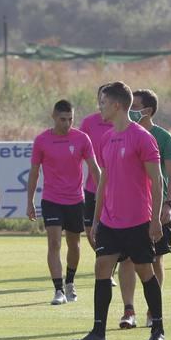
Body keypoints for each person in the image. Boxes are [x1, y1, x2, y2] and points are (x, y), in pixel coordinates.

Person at [69, 81, 166, 340]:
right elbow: (103, 181)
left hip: (137, 220)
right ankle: (98, 333)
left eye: (102, 102)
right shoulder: (106, 138)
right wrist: (96, 218)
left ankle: (157, 328)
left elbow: (156, 182)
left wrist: (156, 219)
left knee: (145, 270)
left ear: (116, 105)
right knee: (101, 268)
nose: (99, 107)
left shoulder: (143, 138)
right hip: (110, 221)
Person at [26, 99, 100, 305]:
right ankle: (58, 289)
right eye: (62, 119)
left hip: (76, 200)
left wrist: (105, 192)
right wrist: (30, 201)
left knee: (74, 244)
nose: (67, 123)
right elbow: (33, 172)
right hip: (51, 200)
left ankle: (69, 282)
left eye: (70, 119)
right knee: (54, 242)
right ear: (53, 117)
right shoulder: (42, 140)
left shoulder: (82, 138)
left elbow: (94, 168)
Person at [119, 89, 171, 329]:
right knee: (126, 261)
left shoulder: (162, 137)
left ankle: (154, 311)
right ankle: (128, 310)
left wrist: (168, 203)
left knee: (155, 259)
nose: (130, 111)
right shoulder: (122, 134)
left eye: (136, 106)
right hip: (127, 210)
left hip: (154, 209)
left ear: (148, 111)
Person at [78, 84, 113, 236]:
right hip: (92, 187)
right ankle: (105, 258)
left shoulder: (124, 124)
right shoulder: (88, 122)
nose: (102, 103)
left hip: (116, 190)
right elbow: (77, 152)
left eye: (106, 100)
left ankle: (108, 258)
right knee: (90, 230)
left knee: (112, 230)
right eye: (101, 99)